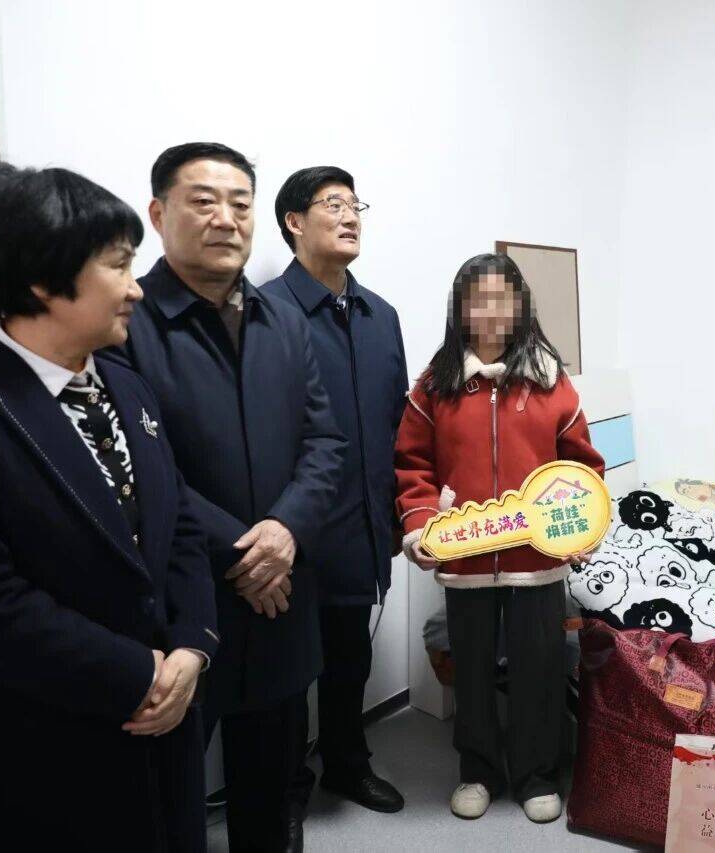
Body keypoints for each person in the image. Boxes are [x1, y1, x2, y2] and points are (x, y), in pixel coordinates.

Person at [0, 162, 218, 852]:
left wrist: (192, 645)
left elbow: (180, 526)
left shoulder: (127, 386)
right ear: (44, 279)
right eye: (118, 265)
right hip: (30, 748)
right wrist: (139, 673)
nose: (136, 287)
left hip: (161, 731)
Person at [117, 143, 347, 853]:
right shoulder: (127, 322)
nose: (226, 218)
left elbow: (325, 440)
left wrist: (285, 531)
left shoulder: (285, 318)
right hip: (183, 600)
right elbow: (137, 471)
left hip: (283, 592)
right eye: (203, 201)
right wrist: (247, 553)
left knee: (272, 786)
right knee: (164, 795)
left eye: (240, 203)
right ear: (159, 214)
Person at [395, 253, 605, 823]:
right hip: (465, 557)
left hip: (538, 557)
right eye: (477, 299)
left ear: (520, 306)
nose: (490, 311)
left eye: (502, 299)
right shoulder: (435, 385)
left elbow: (582, 466)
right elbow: (412, 466)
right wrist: (420, 525)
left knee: (539, 667)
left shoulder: (550, 382)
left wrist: (583, 528)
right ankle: (478, 770)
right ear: (460, 309)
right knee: (472, 667)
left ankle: (537, 775)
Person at [262, 167, 408, 814]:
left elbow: (398, 421)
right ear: (294, 222)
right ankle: (284, 789)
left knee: (351, 658)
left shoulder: (381, 315)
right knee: (286, 674)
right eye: (333, 205)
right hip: (290, 532)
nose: (351, 217)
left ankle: (348, 764)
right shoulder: (263, 311)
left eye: (355, 206)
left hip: (364, 524)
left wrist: (400, 511)